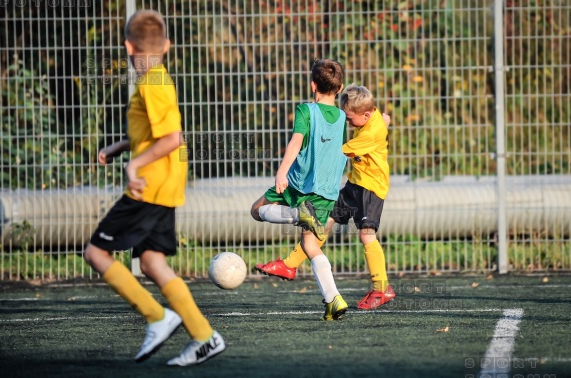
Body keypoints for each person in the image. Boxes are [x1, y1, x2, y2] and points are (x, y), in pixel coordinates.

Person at [83, 10, 225, 367]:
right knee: (150, 261)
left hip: (150, 187)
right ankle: (205, 336)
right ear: (167, 45)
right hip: (165, 185)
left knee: (96, 253)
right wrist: (118, 149)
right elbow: (150, 135)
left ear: (128, 46)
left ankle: (156, 316)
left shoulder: (152, 83)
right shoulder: (156, 79)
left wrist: (134, 165)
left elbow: (172, 137)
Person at [255, 84, 396, 311]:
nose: (348, 123)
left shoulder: (371, 132)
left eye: (350, 119)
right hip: (355, 184)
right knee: (324, 223)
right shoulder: (373, 119)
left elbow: (339, 151)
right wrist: (385, 121)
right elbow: (383, 120)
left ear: (367, 114)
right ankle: (289, 265)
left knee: (367, 234)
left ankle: (382, 288)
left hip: (371, 188)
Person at [250, 59, 349, 321]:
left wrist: (281, 172)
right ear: (339, 89)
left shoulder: (306, 110)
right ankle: (333, 299)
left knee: (256, 210)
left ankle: (296, 215)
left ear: (313, 85)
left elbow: (296, 143)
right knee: (309, 244)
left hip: (297, 185)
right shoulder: (342, 118)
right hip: (326, 193)